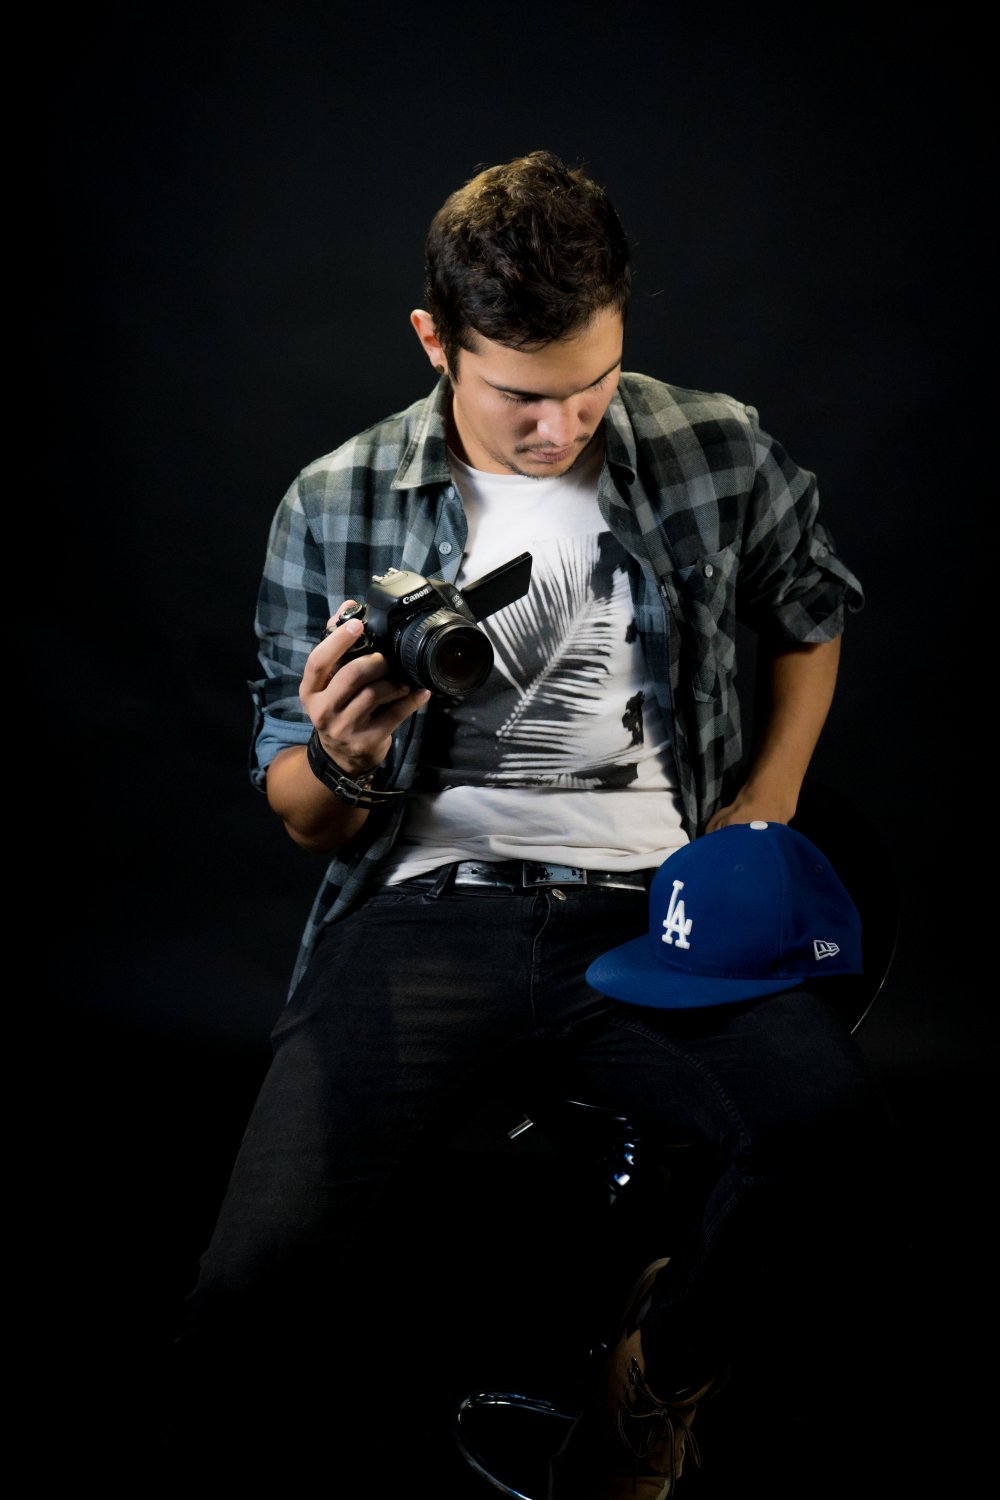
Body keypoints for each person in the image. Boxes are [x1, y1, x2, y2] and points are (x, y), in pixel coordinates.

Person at [170, 150, 903, 1496]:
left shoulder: (714, 444)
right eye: (520, 396)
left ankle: (649, 1381)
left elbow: (813, 608)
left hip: (653, 913)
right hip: (423, 911)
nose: (561, 429)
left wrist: (767, 803)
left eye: (592, 384)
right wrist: (340, 753)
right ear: (434, 341)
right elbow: (302, 819)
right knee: (252, 1281)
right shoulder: (333, 501)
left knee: (828, 1135)